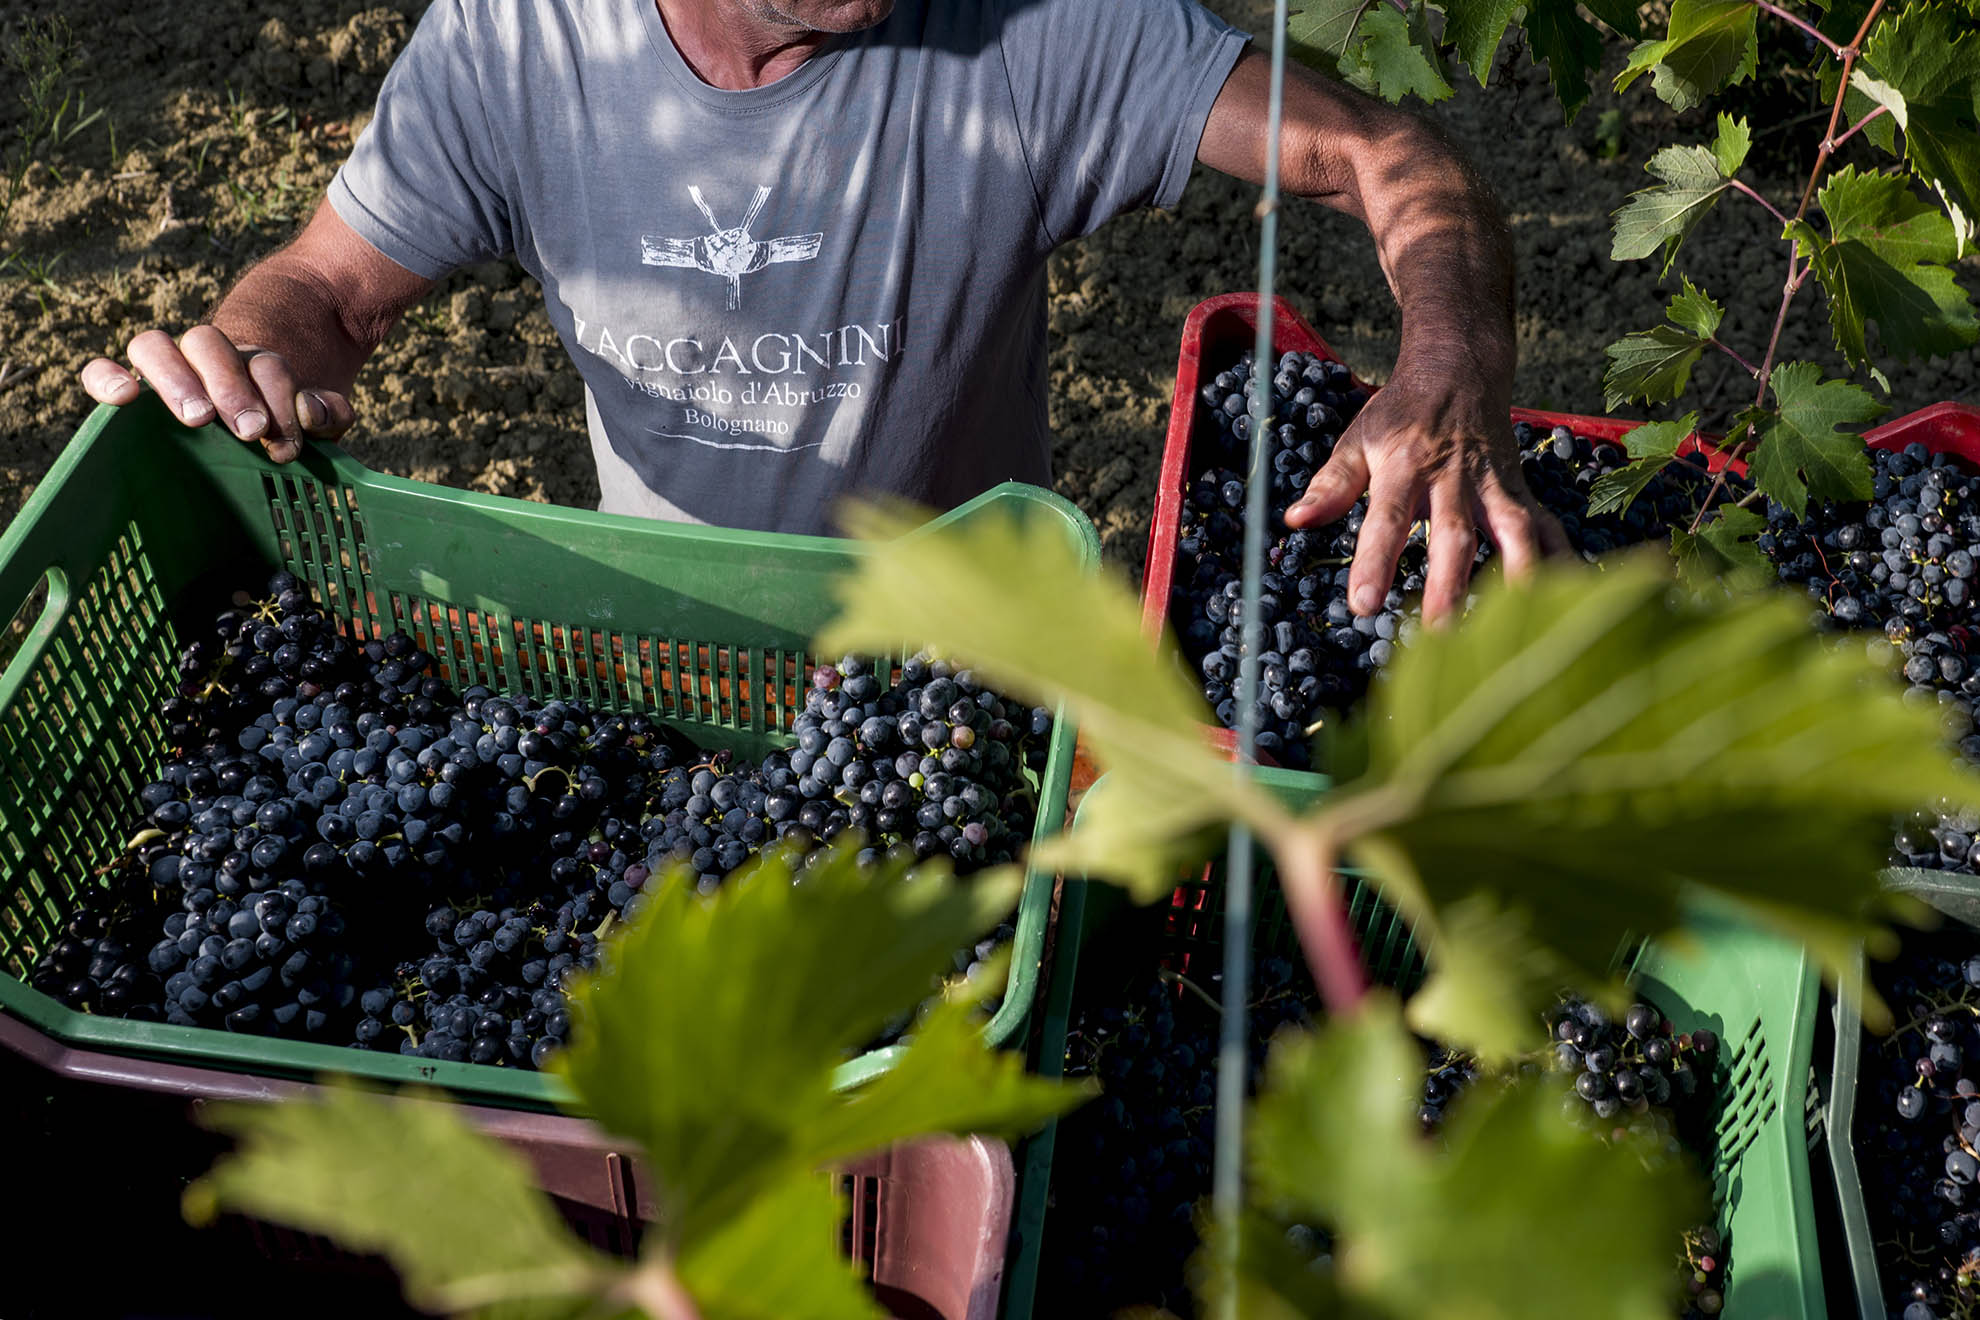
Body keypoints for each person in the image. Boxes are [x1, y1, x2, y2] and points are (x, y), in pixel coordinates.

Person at [79, 0, 1560, 623]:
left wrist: (1448, 360)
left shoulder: (1033, 33)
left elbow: (1382, 153)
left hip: (964, 660)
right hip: (671, 644)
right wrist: (250, 355)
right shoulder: (517, 42)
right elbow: (330, 287)